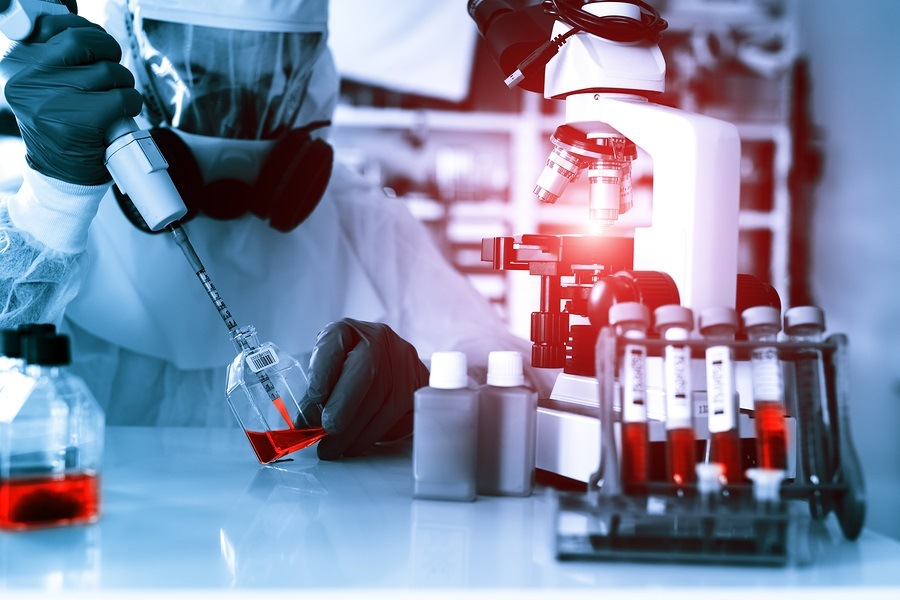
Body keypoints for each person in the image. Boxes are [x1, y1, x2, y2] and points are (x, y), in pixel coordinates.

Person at [0, 0, 553, 459]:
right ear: (133, 77)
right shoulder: (54, 212)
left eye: (267, 87)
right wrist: (56, 204)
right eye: (204, 85)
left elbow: (509, 381)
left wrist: (423, 393)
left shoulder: (359, 218)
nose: (234, 121)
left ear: (312, 77)